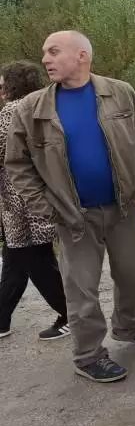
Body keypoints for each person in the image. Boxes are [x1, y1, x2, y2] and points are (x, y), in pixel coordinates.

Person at [4, 30, 135, 383]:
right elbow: (17, 164)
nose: (45, 59)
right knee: (81, 289)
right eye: (44, 52)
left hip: (124, 209)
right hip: (73, 216)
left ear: (81, 55)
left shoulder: (121, 93)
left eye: (53, 51)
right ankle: (88, 355)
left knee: (130, 275)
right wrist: (45, 206)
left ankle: (129, 325)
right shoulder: (32, 107)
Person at [0, 61, 69, 341]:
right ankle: (1, 319)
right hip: (38, 197)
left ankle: (71, 314)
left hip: (22, 204)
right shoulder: (44, 107)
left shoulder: (10, 112)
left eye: (3, 83)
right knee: (15, 260)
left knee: (37, 264)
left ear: (11, 85)